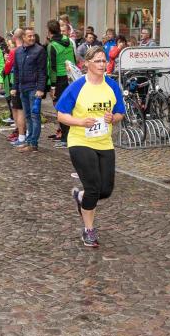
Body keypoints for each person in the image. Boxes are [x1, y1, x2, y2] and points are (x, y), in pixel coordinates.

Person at [56, 46, 125, 248]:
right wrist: (80, 122)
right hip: (80, 141)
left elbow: (120, 113)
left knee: (106, 190)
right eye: (98, 61)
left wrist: (113, 118)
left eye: (104, 61)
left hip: (104, 142)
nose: (102, 65)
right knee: (93, 188)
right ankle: (89, 230)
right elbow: (61, 115)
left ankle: (81, 197)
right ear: (87, 64)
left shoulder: (112, 86)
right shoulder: (77, 87)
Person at [11, 27, 47, 152]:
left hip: (34, 88)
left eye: (33, 35)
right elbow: (16, 71)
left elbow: (42, 71)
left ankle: (33, 143)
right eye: (29, 36)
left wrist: (40, 89)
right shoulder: (18, 51)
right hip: (23, 88)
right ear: (23, 37)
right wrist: (15, 87)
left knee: (34, 116)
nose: (32, 38)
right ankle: (28, 140)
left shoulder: (39, 50)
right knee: (27, 115)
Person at [47, 20, 77, 149]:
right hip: (71, 76)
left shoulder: (52, 45)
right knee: (71, 107)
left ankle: (66, 138)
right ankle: (71, 136)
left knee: (61, 108)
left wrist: (52, 86)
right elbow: (74, 59)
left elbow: (52, 67)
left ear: (49, 31)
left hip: (60, 78)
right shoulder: (69, 41)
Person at [4, 29, 26, 145]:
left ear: (14, 38)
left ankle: (20, 133)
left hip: (15, 83)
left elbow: (7, 68)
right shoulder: (28, 49)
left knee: (17, 110)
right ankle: (24, 134)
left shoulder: (14, 51)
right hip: (28, 83)